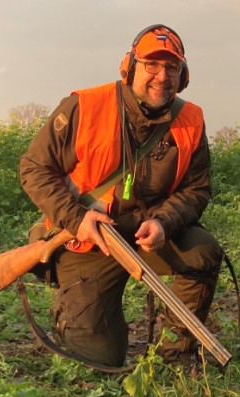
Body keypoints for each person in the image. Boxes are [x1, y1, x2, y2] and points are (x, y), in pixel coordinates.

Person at [19, 24, 222, 367]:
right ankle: (73, 307)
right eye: (151, 65)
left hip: (147, 236)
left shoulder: (191, 120)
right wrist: (77, 218)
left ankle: (174, 351)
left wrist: (163, 222)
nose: (162, 76)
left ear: (183, 75)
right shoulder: (84, 106)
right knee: (100, 359)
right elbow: (34, 169)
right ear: (129, 67)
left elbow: (196, 188)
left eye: (172, 67)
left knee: (203, 253)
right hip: (88, 239)